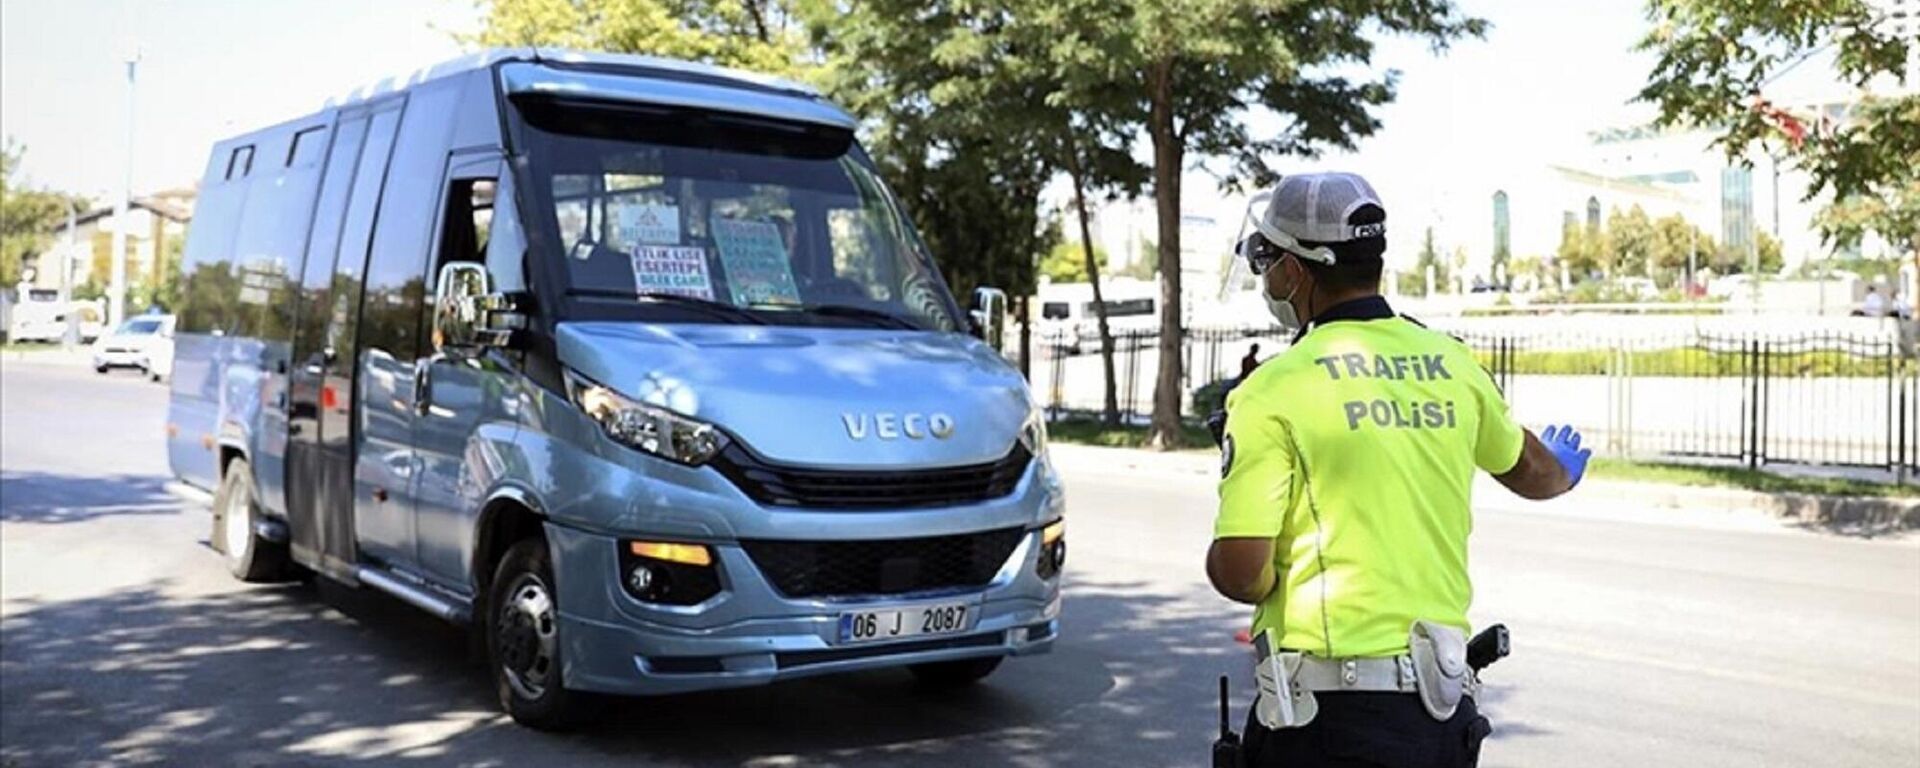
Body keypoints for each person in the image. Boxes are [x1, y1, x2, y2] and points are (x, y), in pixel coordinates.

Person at [1206, 172, 1589, 768]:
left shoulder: (1272, 391)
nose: (1267, 276)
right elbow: (1533, 472)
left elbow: (1241, 572)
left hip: (1325, 725)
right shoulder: (1452, 364)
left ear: (1297, 269)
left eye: (1266, 258)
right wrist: (1562, 472)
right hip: (1439, 719)